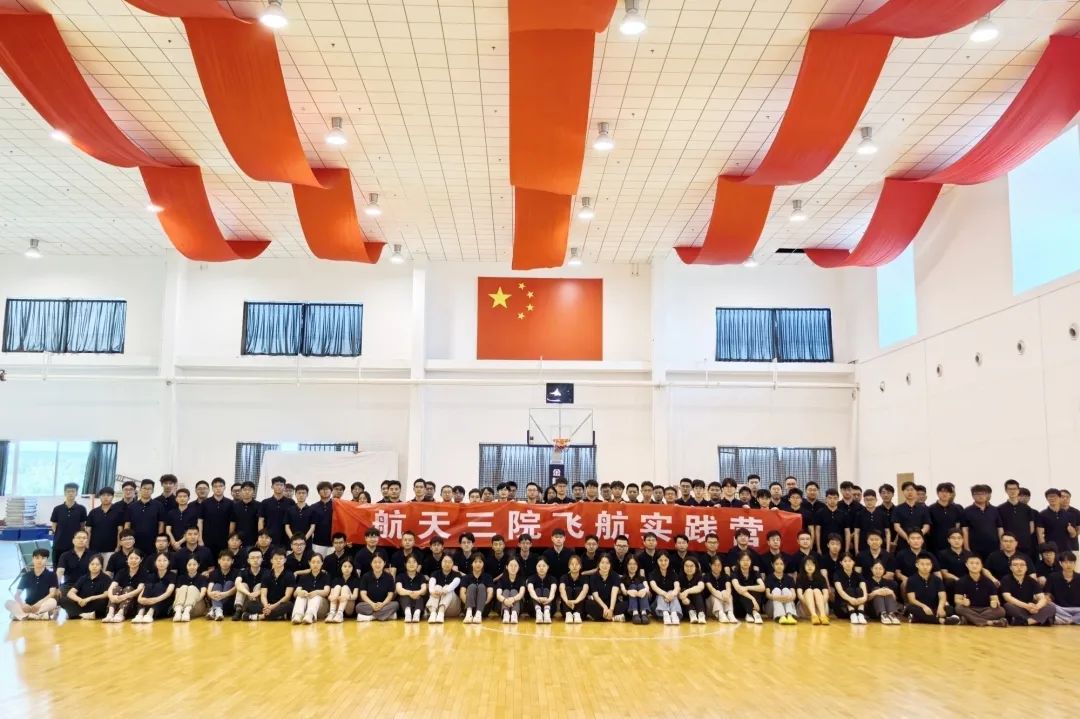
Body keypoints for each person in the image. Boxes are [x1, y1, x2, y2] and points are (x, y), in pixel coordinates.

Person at [904, 555, 960, 625]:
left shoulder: (937, 579)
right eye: (922, 564)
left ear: (931, 565)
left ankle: (919, 618)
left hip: (934, 608)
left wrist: (940, 607)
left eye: (928, 564)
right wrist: (924, 607)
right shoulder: (911, 580)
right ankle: (941, 620)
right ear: (917, 565)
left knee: (950, 608)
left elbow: (942, 596)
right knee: (910, 608)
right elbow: (912, 600)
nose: (925, 567)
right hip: (920, 607)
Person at [953, 555, 1006, 627]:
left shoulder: (989, 582)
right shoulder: (961, 581)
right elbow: (957, 600)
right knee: (958, 608)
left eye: (977, 563)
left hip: (986, 609)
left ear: (981, 566)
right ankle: (989, 622)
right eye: (971, 563)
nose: (974, 565)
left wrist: (995, 603)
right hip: (970, 608)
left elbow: (995, 600)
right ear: (966, 565)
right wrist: (963, 602)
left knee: (1001, 610)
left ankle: (969, 620)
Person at [7, 549, 60, 621]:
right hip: (28, 605)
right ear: (33, 558)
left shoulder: (52, 575)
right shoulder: (26, 575)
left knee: (53, 602)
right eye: (37, 558)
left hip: (43, 604)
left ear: (47, 559)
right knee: (8, 603)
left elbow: (52, 594)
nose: (39, 560)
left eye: (43, 558)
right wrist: (23, 605)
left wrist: (39, 604)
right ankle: (37, 616)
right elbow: (17, 595)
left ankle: (25, 615)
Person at [1000, 555, 1054, 626]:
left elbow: (1042, 598)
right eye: (1015, 565)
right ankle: (1039, 620)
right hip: (1018, 607)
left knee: (1051, 606)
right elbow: (1008, 598)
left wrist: (1037, 607)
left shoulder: (1031, 580)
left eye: (1022, 565)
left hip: (1031, 609)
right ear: (1010, 568)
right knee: (1008, 606)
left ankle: (1026, 622)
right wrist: (1027, 606)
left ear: (1026, 568)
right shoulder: (1006, 579)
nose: (1019, 567)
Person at [60, 554, 111, 620]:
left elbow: (106, 594)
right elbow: (70, 593)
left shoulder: (106, 578)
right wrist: (79, 600)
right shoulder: (83, 578)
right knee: (63, 600)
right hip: (82, 604)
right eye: (92, 564)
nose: (94, 566)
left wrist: (90, 598)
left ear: (101, 566)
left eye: (97, 564)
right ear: (89, 565)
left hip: (95, 603)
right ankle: (83, 615)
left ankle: (76, 615)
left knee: (103, 602)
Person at [248, 550, 294, 622]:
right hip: (268, 604)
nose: (278, 560)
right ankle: (277, 616)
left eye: (281, 558)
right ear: (271, 560)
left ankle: (259, 616)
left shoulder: (289, 575)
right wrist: (266, 606)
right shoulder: (266, 575)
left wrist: (273, 606)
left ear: (285, 560)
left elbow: (287, 596)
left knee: (289, 605)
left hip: (280, 604)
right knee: (249, 604)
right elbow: (263, 595)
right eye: (276, 559)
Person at [49, 483, 88, 565]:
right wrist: (61, 535)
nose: (70, 493)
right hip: (58, 545)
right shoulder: (57, 509)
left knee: (73, 569)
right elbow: (54, 525)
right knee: (57, 568)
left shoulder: (81, 509)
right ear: (64, 493)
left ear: (76, 493)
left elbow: (82, 526)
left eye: (73, 491)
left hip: (74, 546)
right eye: (68, 491)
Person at [133, 552, 177, 623]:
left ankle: (150, 613)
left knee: (160, 585)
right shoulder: (151, 576)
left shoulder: (172, 575)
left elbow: (168, 593)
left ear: (168, 562)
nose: (161, 563)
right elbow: (144, 589)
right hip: (149, 602)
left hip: (164, 604)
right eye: (159, 560)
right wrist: (140, 598)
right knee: (149, 586)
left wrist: (155, 599)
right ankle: (140, 613)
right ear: (155, 563)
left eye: (164, 560)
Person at [126, 479, 166, 555]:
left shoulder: (158, 505)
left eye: (149, 489)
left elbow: (161, 524)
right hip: (134, 542)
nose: (146, 490)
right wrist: (127, 539)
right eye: (144, 488)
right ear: (140, 489)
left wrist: (159, 540)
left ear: (152, 491)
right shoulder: (132, 506)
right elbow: (127, 524)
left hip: (152, 542)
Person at [104, 549, 146, 623]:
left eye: (136, 558)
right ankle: (110, 613)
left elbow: (139, 589)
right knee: (116, 588)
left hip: (132, 604)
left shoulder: (143, 572)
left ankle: (121, 614)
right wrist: (111, 596)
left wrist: (124, 596)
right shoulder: (122, 572)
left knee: (128, 588)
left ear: (141, 560)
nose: (133, 560)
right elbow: (112, 586)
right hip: (118, 601)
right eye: (131, 558)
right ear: (127, 559)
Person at [86, 487, 125, 564]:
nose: (106, 497)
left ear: (112, 497)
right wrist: (87, 545)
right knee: (94, 569)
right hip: (94, 549)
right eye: (103, 495)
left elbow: (120, 530)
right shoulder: (93, 512)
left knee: (108, 570)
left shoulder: (119, 512)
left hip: (111, 549)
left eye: (108, 495)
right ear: (100, 497)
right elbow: (88, 530)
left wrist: (118, 546)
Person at [963, 484, 1003, 559]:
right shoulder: (967, 511)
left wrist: (1002, 545)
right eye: (977, 494)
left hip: (994, 547)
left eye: (983, 493)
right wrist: (966, 548)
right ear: (972, 496)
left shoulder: (994, 510)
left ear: (987, 495)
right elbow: (965, 530)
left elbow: (1000, 529)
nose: (980, 496)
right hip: (975, 548)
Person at [292, 553, 332, 624]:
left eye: (318, 562)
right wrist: (300, 592)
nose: (315, 564)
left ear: (322, 563)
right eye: (313, 562)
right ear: (309, 563)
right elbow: (295, 593)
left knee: (316, 596)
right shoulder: (303, 577)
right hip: (306, 606)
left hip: (321, 606)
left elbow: (326, 592)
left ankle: (310, 616)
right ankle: (298, 616)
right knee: (300, 596)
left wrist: (316, 592)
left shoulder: (326, 576)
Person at [892, 481, 930, 553]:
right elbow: (896, 527)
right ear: (903, 492)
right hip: (903, 542)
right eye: (907, 490)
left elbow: (926, 526)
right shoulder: (897, 509)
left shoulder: (923, 509)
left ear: (916, 492)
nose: (909, 492)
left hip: (920, 543)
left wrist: (917, 537)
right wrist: (908, 538)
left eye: (912, 490)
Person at [201, 478, 234, 558]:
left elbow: (232, 522)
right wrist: (200, 539)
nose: (218, 488)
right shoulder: (205, 503)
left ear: (224, 487)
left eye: (220, 486)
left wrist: (230, 539)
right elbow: (200, 521)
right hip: (207, 539)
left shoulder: (230, 503)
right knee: (208, 562)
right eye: (215, 486)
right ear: (212, 488)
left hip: (224, 540)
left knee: (223, 561)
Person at [729, 551, 765, 624]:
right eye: (743, 560)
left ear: (751, 561)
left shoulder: (755, 573)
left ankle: (750, 614)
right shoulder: (735, 573)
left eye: (748, 560)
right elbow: (739, 589)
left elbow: (762, 587)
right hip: (740, 606)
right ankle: (754, 613)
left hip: (754, 605)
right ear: (739, 561)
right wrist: (753, 599)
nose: (745, 562)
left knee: (756, 588)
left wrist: (747, 587)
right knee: (742, 591)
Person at [426, 554, 462, 623]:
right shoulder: (435, 573)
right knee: (437, 587)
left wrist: (444, 590)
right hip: (436, 606)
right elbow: (431, 586)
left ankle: (441, 613)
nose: (447, 564)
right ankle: (433, 614)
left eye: (449, 562)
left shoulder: (457, 575)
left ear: (453, 564)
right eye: (445, 561)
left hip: (452, 608)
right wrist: (433, 592)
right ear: (441, 562)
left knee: (447, 588)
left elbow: (453, 585)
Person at [833, 553, 868, 624]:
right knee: (849, 590)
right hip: (842, 607)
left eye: (850, 561)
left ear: (853, 562)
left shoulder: (858, 575)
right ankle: (852, 614)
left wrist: (864, 598)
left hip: (858, 604)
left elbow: (864, 589)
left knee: (859, 590)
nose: (847, 563)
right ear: (841, 563)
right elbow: (840, 591)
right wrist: (850, 599)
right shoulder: (837, 574)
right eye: (845, 561)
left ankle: (861, 614)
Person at [233, 549, 267, 622]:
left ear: (262, 559)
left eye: (258, 557)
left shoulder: (266, 572)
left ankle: (250, 612)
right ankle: (238, 610)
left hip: (258, 601)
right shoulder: (243, 571)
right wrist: (249, 594)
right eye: (252, 558)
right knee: (243, 585)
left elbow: (269, 586)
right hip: (245, 600)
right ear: (248, 560)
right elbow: (237, 583)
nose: (255, 560)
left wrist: (258, 592)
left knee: (259, 585)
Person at [1047, 551, 1080, 624]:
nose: (1068, 565)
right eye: (1065, 562)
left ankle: (1065, 620)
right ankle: (1073, 620)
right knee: (1048, 605)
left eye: (1071, 562)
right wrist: (1047, 598)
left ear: (1075, 563)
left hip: (1078, 609)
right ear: (1060, 563)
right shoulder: (1053, 577)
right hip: (1060, 609)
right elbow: (1047, 593)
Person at [865, 560, 902, 624]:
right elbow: (865, 599)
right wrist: (875, 592)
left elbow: (894, 599)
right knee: (877, 589)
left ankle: (891, 614)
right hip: (873, 609)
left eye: (880, 569)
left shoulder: (889, 583)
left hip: (888, 608)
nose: (878, 571)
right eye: (876, 568)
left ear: (884, 570)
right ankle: (883, 614)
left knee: (886, 589)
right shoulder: (866, 582)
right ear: (871, 569)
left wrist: (891, 592)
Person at [172, 556, 208, 622]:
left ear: (198, 565)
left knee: (192, 588)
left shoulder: (202, 578)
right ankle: (178, 611)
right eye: (189, 564)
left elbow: (203, 593)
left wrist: (192, 601)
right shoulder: (181, 578)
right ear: (186, 565)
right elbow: (177, 592)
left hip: (197, 605)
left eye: (194, 564)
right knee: (184, 587)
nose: (192, 567)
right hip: (182, 606)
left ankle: (187, 611)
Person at [459, 554, 493, 624]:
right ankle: (469, 614)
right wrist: (469, 603)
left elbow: (490, 593)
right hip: (468, 607)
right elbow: (462, 593)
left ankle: (478, 614)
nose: (478, 564)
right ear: (471, 564)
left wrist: (482, 604)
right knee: (472, 586)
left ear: (483, 564)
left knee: (481, 586)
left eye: (480, 562)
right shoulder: (466, 577)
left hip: (483, 608)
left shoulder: (488, 577)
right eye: (475, 562)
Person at [795, 556, 830, 625]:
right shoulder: (800, 578)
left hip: (821, 607)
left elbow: (826, 595)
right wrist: (809, 604)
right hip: (805, 607)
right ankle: (814, 616)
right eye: (807, 565)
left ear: (815, 566)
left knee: (816, 590)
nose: (810, 567)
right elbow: (799, 595)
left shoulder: (821, 578)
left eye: (812, 564)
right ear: (803, 566)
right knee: (809, 591)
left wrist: (818, 604)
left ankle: (823, 616)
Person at [764, 555, 798, 624]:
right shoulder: (768, 578)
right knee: (776, 590)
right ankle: (781, 616)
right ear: (772, 565)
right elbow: (768, 595)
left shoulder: (789, 579)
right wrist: (779, 597)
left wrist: (787, 598)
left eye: (781, 564)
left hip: (787, 605)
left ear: (784, 565)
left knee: (785, 590)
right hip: (772, 608)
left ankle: (789, 615)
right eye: (776, 564)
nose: (779, 566)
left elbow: (794, 595)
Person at [206, 551, 239, 621]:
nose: (225, 562)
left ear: (232, 561)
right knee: (217, 585)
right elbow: (210, 585)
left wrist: (225, 594)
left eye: (228, 560)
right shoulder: (213, 573)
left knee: (229, 583)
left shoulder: (237, 572)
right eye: (223, 559)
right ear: (219, 561)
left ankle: (214, 609)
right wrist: (209, 593)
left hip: (229, 603)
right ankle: (218, 610)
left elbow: (238, 587)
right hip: (216, 599)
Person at [326, 558, 361, 624]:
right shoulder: (335, 580)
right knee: (337, 587)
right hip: (337, 605)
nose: (347, 568)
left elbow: (355, 596)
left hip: (349, 609)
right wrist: (334, 597)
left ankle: (340, 614)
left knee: (345, 587)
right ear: (341, 567)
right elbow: (330, 596)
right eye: (345, 566)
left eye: (349, 566)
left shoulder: (356, 580)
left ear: (353, 568)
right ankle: (332, 613)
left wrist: (346, 597)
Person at [395, 555, 428, 623]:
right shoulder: (400, 576)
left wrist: (417, 593)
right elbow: (399, 590)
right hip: (404, 608)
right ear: (405, 564)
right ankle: (408, 614)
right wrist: (410, 593)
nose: (411, 564)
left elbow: (424, 590)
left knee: (420, 597)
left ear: (417, 564)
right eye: (409, 562)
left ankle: (416, 614)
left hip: (418, 606)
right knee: (404, 596)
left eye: (414, 562)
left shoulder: (421, 576)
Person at [496, 557, 527, 624]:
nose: (513, 568)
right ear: (506, 567)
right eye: (511, 565)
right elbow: (498, 595)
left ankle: (514, 614)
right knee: (506, 591)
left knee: (514, 591)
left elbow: (521, 594)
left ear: (519, 568)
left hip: (518, 605)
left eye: (515, 566)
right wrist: (505, 600)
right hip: (503, 604)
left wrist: (513, 599)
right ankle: (506, 613)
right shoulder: (501, 579)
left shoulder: (521, 579)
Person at [677, 557, 707, 624]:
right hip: (685, 606)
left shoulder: (699, 576)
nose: (689, 568)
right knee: (683, 591)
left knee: (696, 592)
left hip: (698, 605)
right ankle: (692, 613)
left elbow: (700, 587)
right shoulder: (680, 577)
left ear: (696, 567)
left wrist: (687, 591)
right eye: (686, 566)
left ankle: (701, 614)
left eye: (691, 566)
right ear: (683, 567)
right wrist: (682, 597)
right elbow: (677, 591)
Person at [559, 555, 589, 624]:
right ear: (569, 566)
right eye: (572, 564)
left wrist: (575, 601)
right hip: (566, 608)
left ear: (580, 566)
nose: (574, 566)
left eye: (577, 564)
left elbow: (585, 590)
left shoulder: (585, 578)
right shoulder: (564, 577)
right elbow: (561, 589)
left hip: (581, 610)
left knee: (579, 589)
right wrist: (567, 601)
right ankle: (568, 614)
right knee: (568, 589)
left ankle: (577, 614)